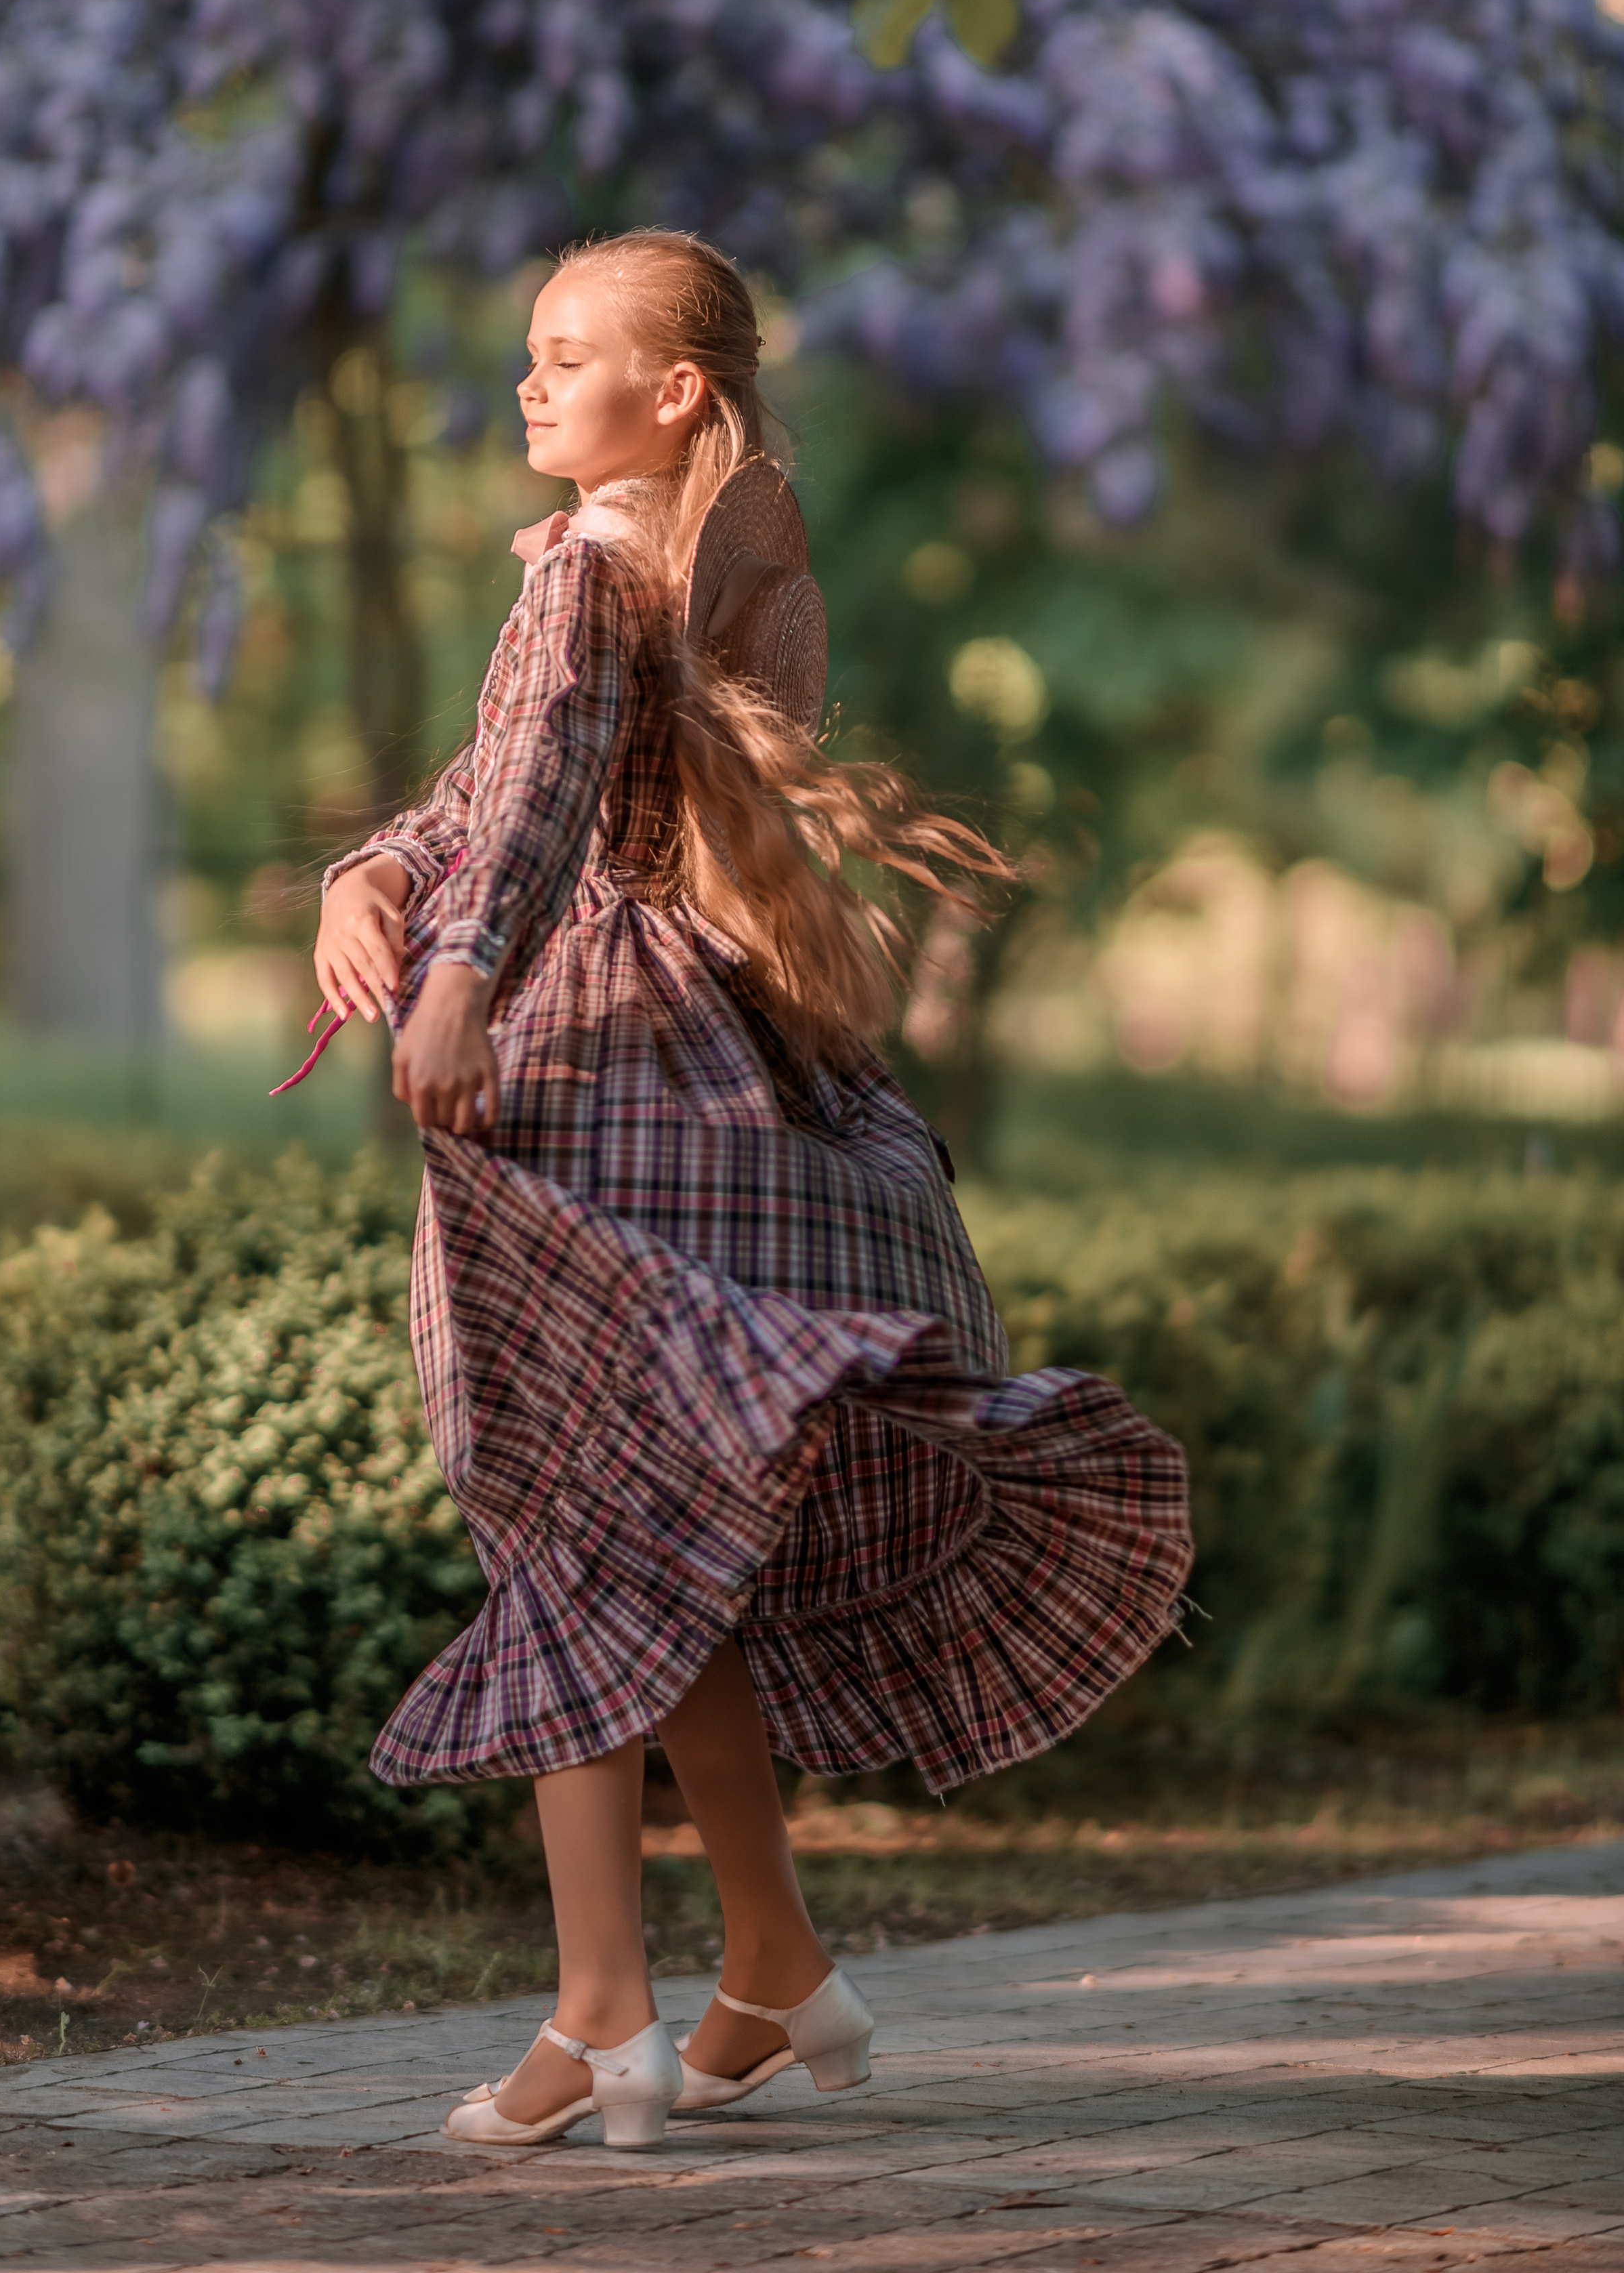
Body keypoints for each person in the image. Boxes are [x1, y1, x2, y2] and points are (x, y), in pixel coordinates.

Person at [312, 230, 1192, 2150]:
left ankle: (601, 2015)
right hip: (710, 1059)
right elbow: (490, 791)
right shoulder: (654, 565)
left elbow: (536, 797)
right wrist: (367, 873)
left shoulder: (590, 584)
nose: (529, 387)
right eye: (529, 354)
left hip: (595, 1070)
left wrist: (460, 974)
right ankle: (780, 1965)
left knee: (572, 1518)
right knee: (661, 1517)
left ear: (676, 390)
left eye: (567, 356)